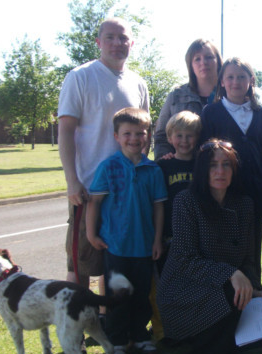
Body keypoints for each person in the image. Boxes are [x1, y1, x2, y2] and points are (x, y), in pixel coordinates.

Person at [158, 139, 262, 354]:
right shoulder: (186, 202)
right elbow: (185, 259)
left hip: (227, 285)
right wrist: (230, 274)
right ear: (202, 170)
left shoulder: (244, 204)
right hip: (184, 289)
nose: (220, 172)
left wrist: (253, 284)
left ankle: (219, 345)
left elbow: (249, 258)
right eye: (213, 166)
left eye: (226, 165)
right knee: (232, 293)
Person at [58, 18, 149, 322]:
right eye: (109, 37)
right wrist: (72, 181)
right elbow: (66, 131)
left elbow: (143, 134)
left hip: (127, 193)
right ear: (98, 42)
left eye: (123, 38)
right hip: (89, 190)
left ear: (131, 43)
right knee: (83, 263)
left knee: (120, 260)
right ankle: (79, 323)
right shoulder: (80, 77)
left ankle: (114, 321)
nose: (116, 43)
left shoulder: (138, 82)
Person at [85, 107, 167, 354]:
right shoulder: (108, 167)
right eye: (127, 133)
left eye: (140, 133)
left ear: (148, 135)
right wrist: (91, 234)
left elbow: (159, 207)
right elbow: (95, 203)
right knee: (117, 296)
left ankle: (140, 336)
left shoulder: (153, 170)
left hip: (144, 246)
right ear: (116, 136)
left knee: (141, 295)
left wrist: (156, 240)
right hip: (116, 247)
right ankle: (118, 339)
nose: (134, 138)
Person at [200, 57, 262, 279]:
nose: (235, 82)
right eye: (230, 77)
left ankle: (253, 302)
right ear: (221, 81)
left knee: (252, 254)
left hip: (254, 197)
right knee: (224, 254)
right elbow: (204, 155)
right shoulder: (210, 113)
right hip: (223, 196)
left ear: (251, 81)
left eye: (241, 77)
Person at [149, 110, 201, 341]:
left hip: (198, 236)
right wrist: (158, 238)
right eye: (178, 135)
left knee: (194, 282)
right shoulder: (162, 167)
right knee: (169, 283)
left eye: (189, 135)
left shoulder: (203, 165)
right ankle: (171, 327)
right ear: (169, 138)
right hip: (170, 237)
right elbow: (157, 205)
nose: (184, 140)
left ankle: (195, 324)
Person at [153, 39, 222, 159]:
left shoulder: (230, 96)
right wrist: (166, 162)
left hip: (220, 171)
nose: (203, 62)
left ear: (218, 61)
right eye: (197, 59)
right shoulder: (176, 96)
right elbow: (161, 136)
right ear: (190, 65)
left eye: (209, 57)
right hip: (183, 173)